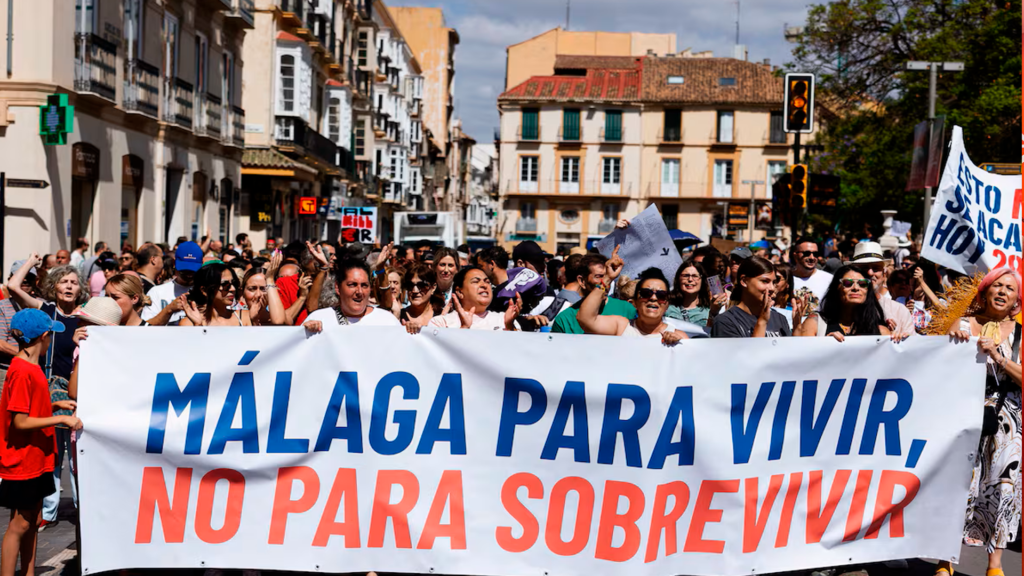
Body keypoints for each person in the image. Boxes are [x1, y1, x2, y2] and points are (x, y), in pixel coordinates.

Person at [941, 268, 1022, 576]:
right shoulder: (962, 324)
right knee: (958, 483)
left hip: (1008, 422)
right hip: (963, 411)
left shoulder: (1021, 332)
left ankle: (995, 566)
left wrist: (999, 357)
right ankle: (945, 560)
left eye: (1009, 289)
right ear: (984, 292)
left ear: (1016, 301)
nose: (1002, 291)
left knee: (1003, 488)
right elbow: (938, 367)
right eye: (997, 286)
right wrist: (954, 345)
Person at [0, 309, 81, 576]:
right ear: (44, 336)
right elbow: (20, 421)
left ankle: (29, 572)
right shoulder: (22, 370)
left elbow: (29, 408)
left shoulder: (31, 368)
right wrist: (61, 419)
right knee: (19, 525)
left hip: (37, 458)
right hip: (23, 460)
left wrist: (54, 405)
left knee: (33, 520)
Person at [578, 252, 688, 344]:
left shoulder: (679, 336)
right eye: (646, 293)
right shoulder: (621, 327)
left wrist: (680, 345)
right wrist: (608, 278)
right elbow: (585, 319)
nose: (653, 298)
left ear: (667, 304)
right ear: (634, 302)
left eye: (661, 295)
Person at [711, 256, 810, 338]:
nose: (772, 288)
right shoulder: (726, 321)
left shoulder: (780, 318)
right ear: (744, 281)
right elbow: (751, 355)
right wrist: (762, 322)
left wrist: (797, 326)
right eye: (765, 281)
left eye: (774, 282)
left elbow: (790, 353)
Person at [303, 259, 402, 330]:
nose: (359, 292)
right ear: (337, 288)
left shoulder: (387, 321)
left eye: (364, 285)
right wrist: (305, 333)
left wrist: (410, 332)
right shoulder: (319, 319)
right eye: (352, 285)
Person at [807, 265, 899, 341]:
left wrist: (898, 341)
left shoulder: (882, 332)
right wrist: (824, 345)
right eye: (848, 283)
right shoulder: (815, 324)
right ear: (836, 288)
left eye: (862, 284)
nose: (856, 288)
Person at [551, 254, 636, 335]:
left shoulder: (627, 309)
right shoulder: (565, 319)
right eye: (599, 276)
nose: (606, 282)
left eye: (609, 277)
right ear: (582, 281)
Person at [849, 242, 915, 336]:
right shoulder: (843, 309)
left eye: (876, 268)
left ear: (884, 274)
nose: (870, 273)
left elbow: (912, 342)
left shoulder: (899, 311)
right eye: (864, 268)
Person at [429, 267, 520, 331]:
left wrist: (509, 328)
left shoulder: (505, 319)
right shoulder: (441, 323)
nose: (484, 285)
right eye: (476, 281)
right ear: (459, 292)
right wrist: (464, 328)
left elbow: (519, 349)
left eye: (487, 282)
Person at [142, 242, 203, 326]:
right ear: (174, 263)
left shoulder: (206, 292)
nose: (189, 275)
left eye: (193, 271)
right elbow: (145, 327)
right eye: (184, 270)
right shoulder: (156, 292)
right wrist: (169, 309)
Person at [179, 263, 252, 327]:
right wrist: (198, 325)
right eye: (225, 285)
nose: (233, 289)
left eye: (234, 283)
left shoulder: (244, 317)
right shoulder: (188, 324)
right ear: (204, 290)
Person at [0, 263, 37, 386]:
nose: (24, 280)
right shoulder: (2, 306)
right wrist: (28, 356)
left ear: (36, 281)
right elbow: (1, 343)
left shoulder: (43, 305)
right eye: (20, 276)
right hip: (8, 370)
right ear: (10, 280)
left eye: (29, 277)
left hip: (37, 371)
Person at [665, 259, 727, 327]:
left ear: (702, 280)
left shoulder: (711, 308)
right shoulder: (666, 308)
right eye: (686, 275)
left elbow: (713, 331)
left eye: (695, 276)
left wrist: (713, 313)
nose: (690, 279)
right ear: (678, 279)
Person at [239, 255, 287, 326]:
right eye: (252, 289)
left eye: (263, 289)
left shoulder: (281, 315)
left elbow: (278, 321)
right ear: (242, 292)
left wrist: (270, 280)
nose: (258, 294)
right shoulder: (235, 316)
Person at [399, 264, 442, 334]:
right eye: (410, 285)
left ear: (433, 287)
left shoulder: (442, 316)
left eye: (422, 285)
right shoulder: (398, 316)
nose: (415, 291)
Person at [790, 237, 833, 301]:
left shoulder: (830, 280)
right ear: (795, 256)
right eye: (806, 253)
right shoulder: (786, 279)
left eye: (815, 254)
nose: (812, 257)